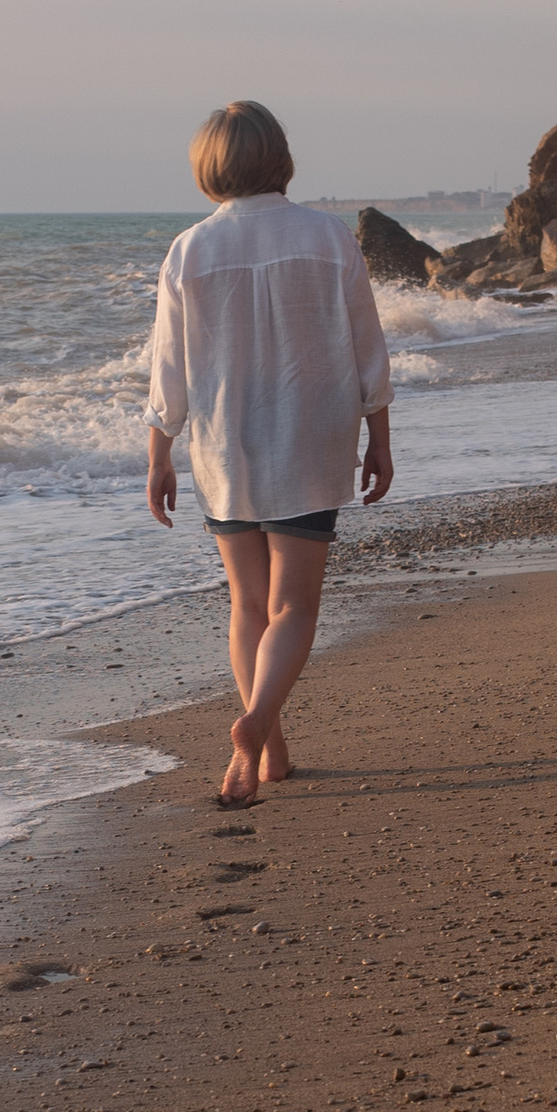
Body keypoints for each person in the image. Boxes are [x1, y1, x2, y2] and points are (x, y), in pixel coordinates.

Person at [144, 100, 394, 806]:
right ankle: (257, 729)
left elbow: (168, 367)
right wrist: (379, 436)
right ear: (279, 156)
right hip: (311, 436)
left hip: (224, 443)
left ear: (208, 165)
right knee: (293, 607)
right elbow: (366, 344)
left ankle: (271, 752)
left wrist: (160, 453)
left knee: (249, 604)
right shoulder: (327, 236)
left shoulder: (189, 250)